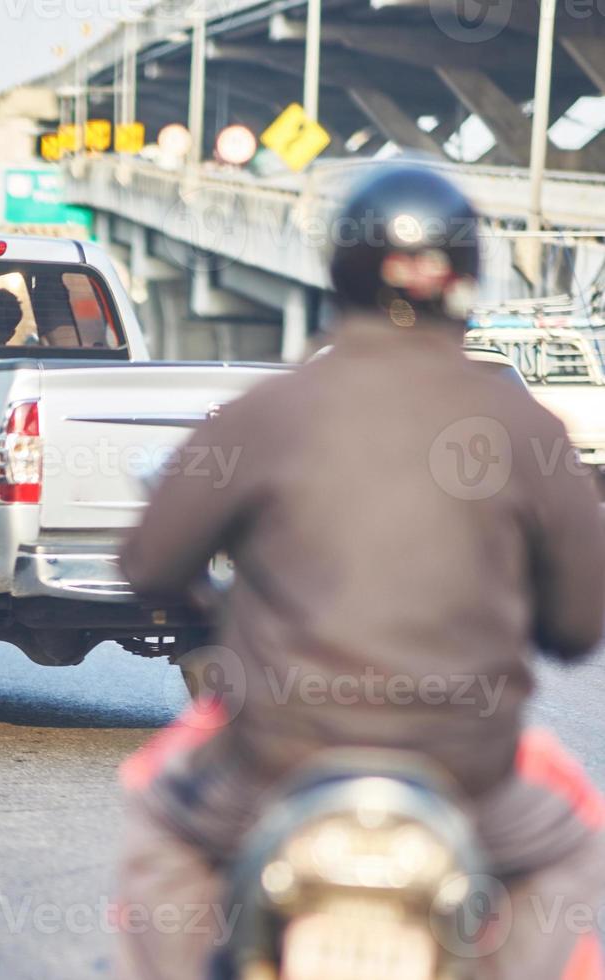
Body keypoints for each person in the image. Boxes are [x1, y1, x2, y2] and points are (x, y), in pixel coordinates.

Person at [115, 165, 605, 979]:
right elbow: (581, 625)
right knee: (567, 859)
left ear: (340, 272)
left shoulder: (270, 412)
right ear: (467, 277)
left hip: (274, 762)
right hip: (467, 773)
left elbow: (149, 564)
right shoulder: (526, 429)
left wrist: (218, 608)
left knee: (159, 840)